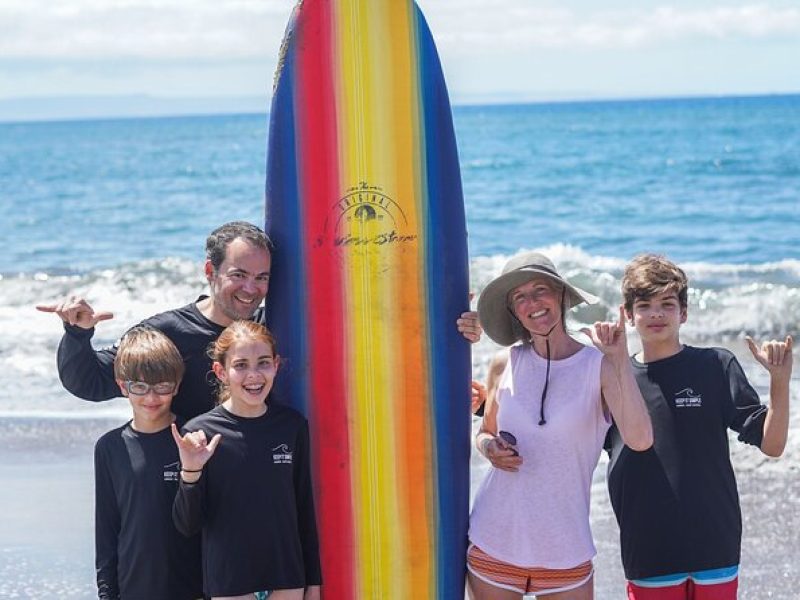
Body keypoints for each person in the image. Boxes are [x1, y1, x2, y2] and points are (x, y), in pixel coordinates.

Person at [37, 221, 482, 419]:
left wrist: (449, 325)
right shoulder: (166, 333)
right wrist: (77, 334)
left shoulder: (278, 329)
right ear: (210, 272)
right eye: (239, 275)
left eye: (262, 277)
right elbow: (93, 383)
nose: (250, 288)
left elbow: (365, 338)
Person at [606, 254, 793, 600]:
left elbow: (772, 444)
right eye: (645, 305)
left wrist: (779, 382)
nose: (657, 313)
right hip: (648, 545)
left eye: (667, 303)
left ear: (685, 313)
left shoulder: (715, 366)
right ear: (628, 315)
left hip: (714, 539)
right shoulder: (612, 377)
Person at [468, 251, 653, 600]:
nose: (532, 303)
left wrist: (619, 360)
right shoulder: (502, 363)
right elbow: (485, 432)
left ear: (562, 296)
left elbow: (640, 439)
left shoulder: (598, 366)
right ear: (513, 311)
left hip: (565, 551)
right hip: (494, 539)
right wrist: (489, 448)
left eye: (540, 290)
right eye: (519, 297)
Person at [172, 321, 321, 600]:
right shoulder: (199, 433)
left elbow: (303, 507)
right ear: (221, 372)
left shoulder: (291, 426)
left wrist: (313, 580)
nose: (253, 375)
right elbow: (188, 524)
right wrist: (190, 472)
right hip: (230, 580)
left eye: (263, 362)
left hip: (286, 576)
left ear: (276, 365)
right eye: (240, 365)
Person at [94, 325, 202, 599]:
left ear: (177, 385)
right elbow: (107, 530)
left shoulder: (194, 442)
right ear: (122, 386)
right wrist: (107, 593)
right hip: (133, 589)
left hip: (193, 589)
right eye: (139, 386)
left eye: (162, 386)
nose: (151, 397)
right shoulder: (110, 447)